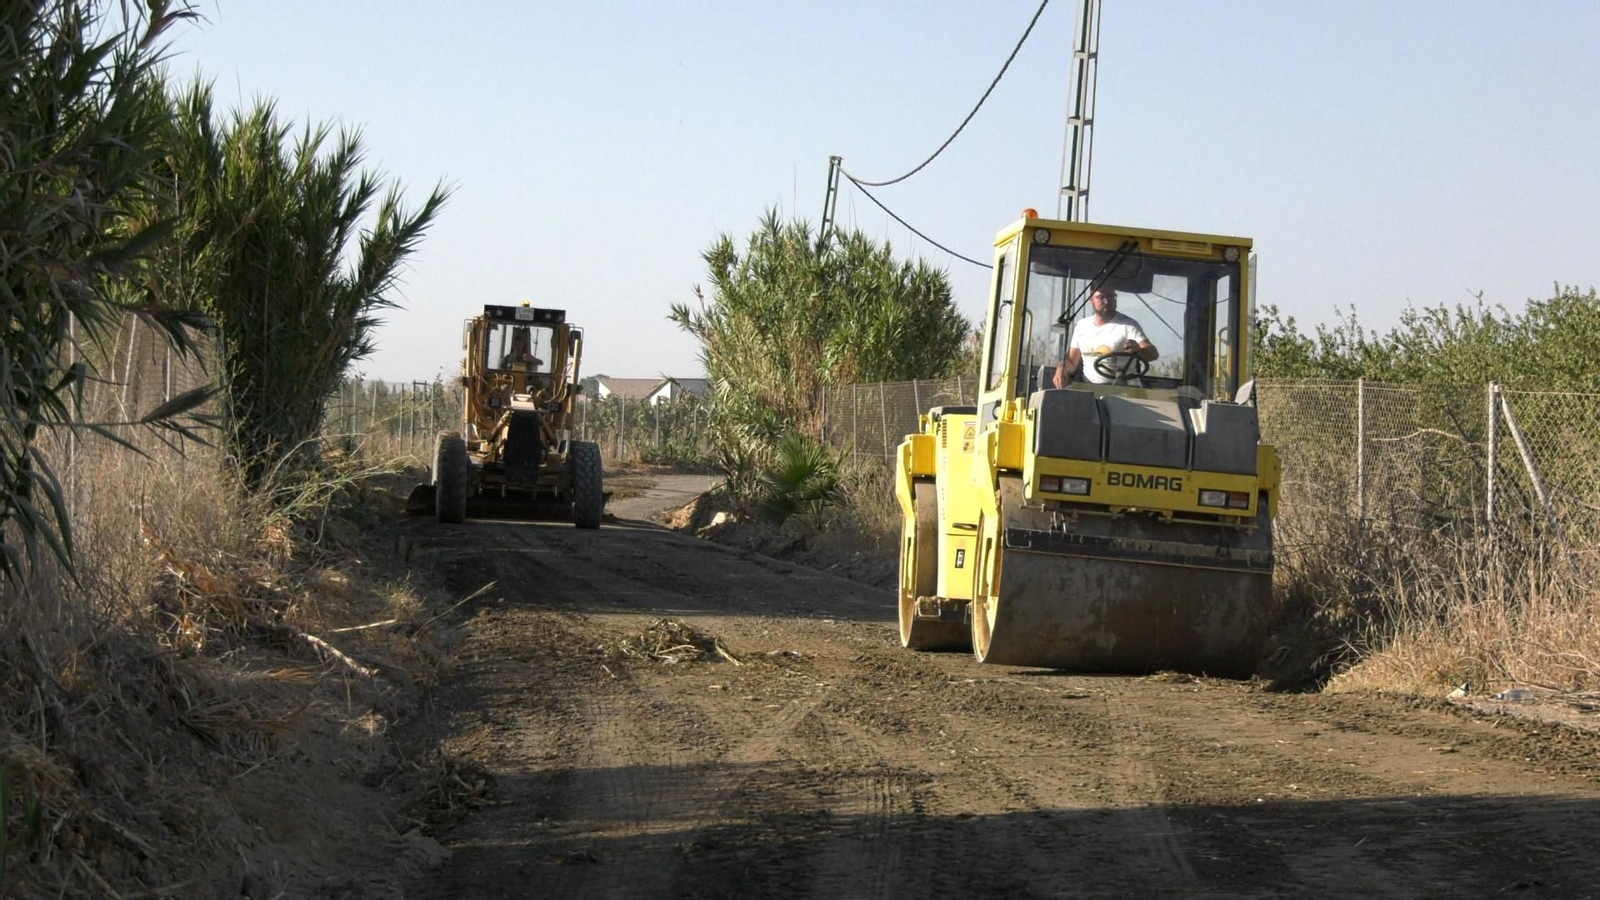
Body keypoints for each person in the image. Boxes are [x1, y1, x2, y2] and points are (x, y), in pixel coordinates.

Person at [1053, 286, 1158, 387]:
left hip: (1126, 390)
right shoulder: (1082, 326)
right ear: (1090, 299)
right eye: (1101, 297)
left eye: (1110, 296)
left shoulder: (1128, 325)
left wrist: (1138, 350)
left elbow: (1153, 354)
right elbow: (1071, 362)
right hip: (1091, 390)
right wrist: (1061, 368)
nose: (1107, 301)